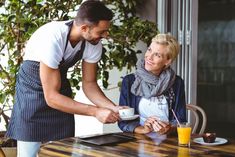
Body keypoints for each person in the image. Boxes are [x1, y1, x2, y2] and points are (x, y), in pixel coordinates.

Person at [6, 1, 120, 156]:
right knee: (29, 154)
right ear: (84, 28)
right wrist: (95, 112)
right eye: (102, 32)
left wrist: (114, 108)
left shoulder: (92, 42)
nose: (105, 36)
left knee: (62, 150)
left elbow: (90, 84)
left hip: (58, 86)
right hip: (31, 91)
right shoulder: (52, 37)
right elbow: (52, 98)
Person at [118, 34, 187, 135]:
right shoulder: (130, 81)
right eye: (149, 50)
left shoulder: (176, 83)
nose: (149, 57)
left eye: (157, 55)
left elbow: (180, 120)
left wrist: (168, 129)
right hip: (137, 141)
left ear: (167, 61)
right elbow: (123, 120)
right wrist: (142, 129)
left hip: (167, 142)